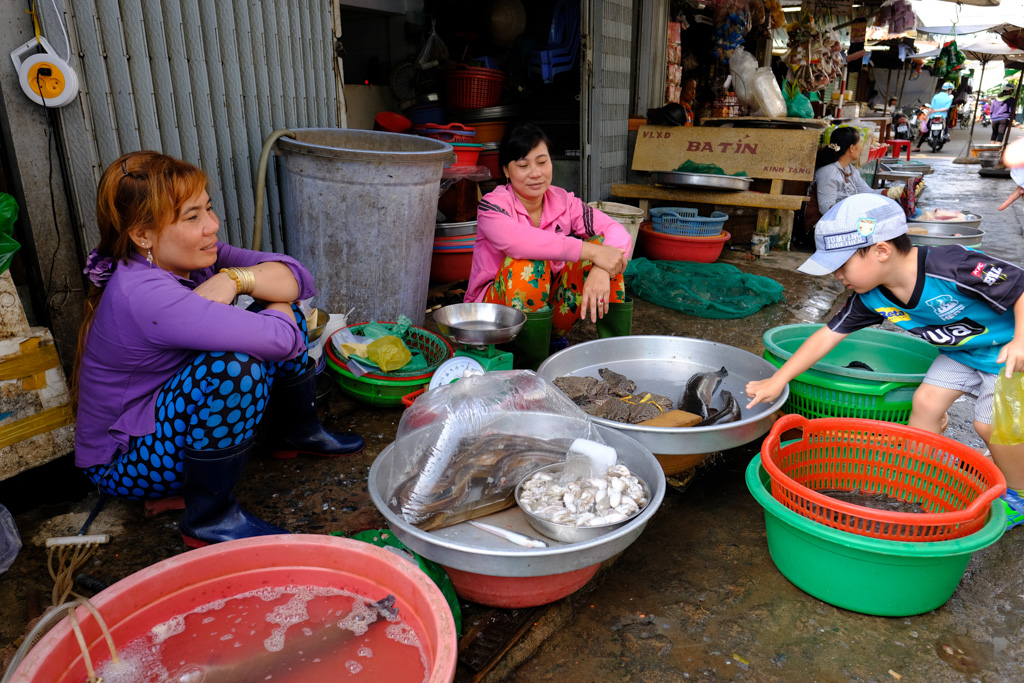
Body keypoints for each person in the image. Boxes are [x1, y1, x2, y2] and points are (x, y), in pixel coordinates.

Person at [74, 151, 364, 548]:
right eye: (192, 217)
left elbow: (296, 275)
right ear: (143, 235)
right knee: (236, 365)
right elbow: (282, 332)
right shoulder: (145, 293)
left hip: (160, 419)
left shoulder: (188, 259)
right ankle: (209, 519)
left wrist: (236, 278)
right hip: (124, 461)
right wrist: (273, 299)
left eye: (208, 209)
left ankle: (295, 434)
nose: (212, 226)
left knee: (270, 312)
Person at [745, 193, 1024, 529]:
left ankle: (1018, 495)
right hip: (961, 351)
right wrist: (778, 380)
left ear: (881, 250)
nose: (836, 276)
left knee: (990, 426)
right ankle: (918, 479)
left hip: (1007, 352)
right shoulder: (871, 296)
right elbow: (826, 336)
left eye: (841, 265)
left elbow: (1020, 286)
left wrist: (1021, 340)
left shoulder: (952, 266)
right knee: (925, 402)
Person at [465, 124, 632, 367]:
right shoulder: (492, 206)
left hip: (547, 319)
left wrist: (602, 268)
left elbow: (617, 231)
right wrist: (591, 251)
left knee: (609, 257)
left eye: (542, 162)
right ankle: (531, 369)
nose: (535, 173)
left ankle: (620, 363)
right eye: (523, 165)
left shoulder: (564, 202)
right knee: (528, 264)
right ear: (506, 171)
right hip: (492, 324)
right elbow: (521, 242)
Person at [804, 126, 918, 227]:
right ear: (852, 148)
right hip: (823, 227)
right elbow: (827, 210)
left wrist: (896, 192)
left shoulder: (850, 170)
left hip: (844, 222)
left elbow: (867, 193)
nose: (862, 148)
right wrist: (857, 212)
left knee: (889, 220)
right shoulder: (828, 172)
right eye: (860, 144)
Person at [914, 82, 954, 151]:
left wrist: (926, 116)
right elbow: (946, 108)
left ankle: (918, 147)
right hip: (943, 116)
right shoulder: (949, 98)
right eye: (951, 90)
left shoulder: (935, 96)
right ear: (949, 90)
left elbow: (931, 108)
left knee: (926, 131)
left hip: (933, 116)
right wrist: (937, 110)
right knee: (946, 125)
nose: (951, 92)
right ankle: (946, 135)